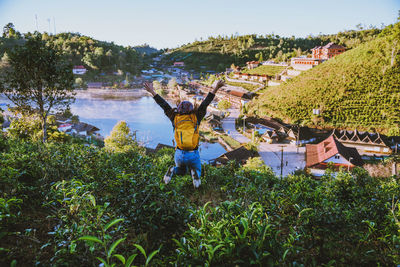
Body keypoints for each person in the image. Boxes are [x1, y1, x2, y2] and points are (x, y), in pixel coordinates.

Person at [143, 80, 225, 188]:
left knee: (181, 171)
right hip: (193, 153)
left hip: (179, 153)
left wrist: (152, 91)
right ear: (192, 109)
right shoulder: (196, 117)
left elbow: (164, 104)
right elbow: (206, 102)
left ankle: (173, 170)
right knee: (198, 169)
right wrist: (216, 87)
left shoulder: (174, 117)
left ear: (179, 109)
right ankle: (195, 173)